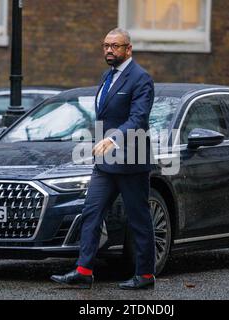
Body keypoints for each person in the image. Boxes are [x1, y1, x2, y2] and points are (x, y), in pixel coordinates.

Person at [50, 28, 156, 290]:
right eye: (106, 46)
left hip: (131, 160)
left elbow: (139, 118)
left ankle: (145, 275)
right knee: (91, 213)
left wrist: (114, 138)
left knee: (138, 218)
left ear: (128, 49)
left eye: (115, 46)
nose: (109, 50)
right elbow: (104, 116)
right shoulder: (106, 77)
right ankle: (84, 270)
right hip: (105, 162)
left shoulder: (141, 78)